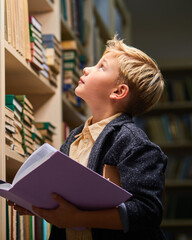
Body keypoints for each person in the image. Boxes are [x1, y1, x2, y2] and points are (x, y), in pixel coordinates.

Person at [9, 36, 168, 239]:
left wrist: (77, 219)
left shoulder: (133, 142)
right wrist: (38, 204)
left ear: (118, 92)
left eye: (101, 66)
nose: (86, 69)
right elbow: (66, 199)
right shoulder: (75, 137)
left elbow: (147, 211)